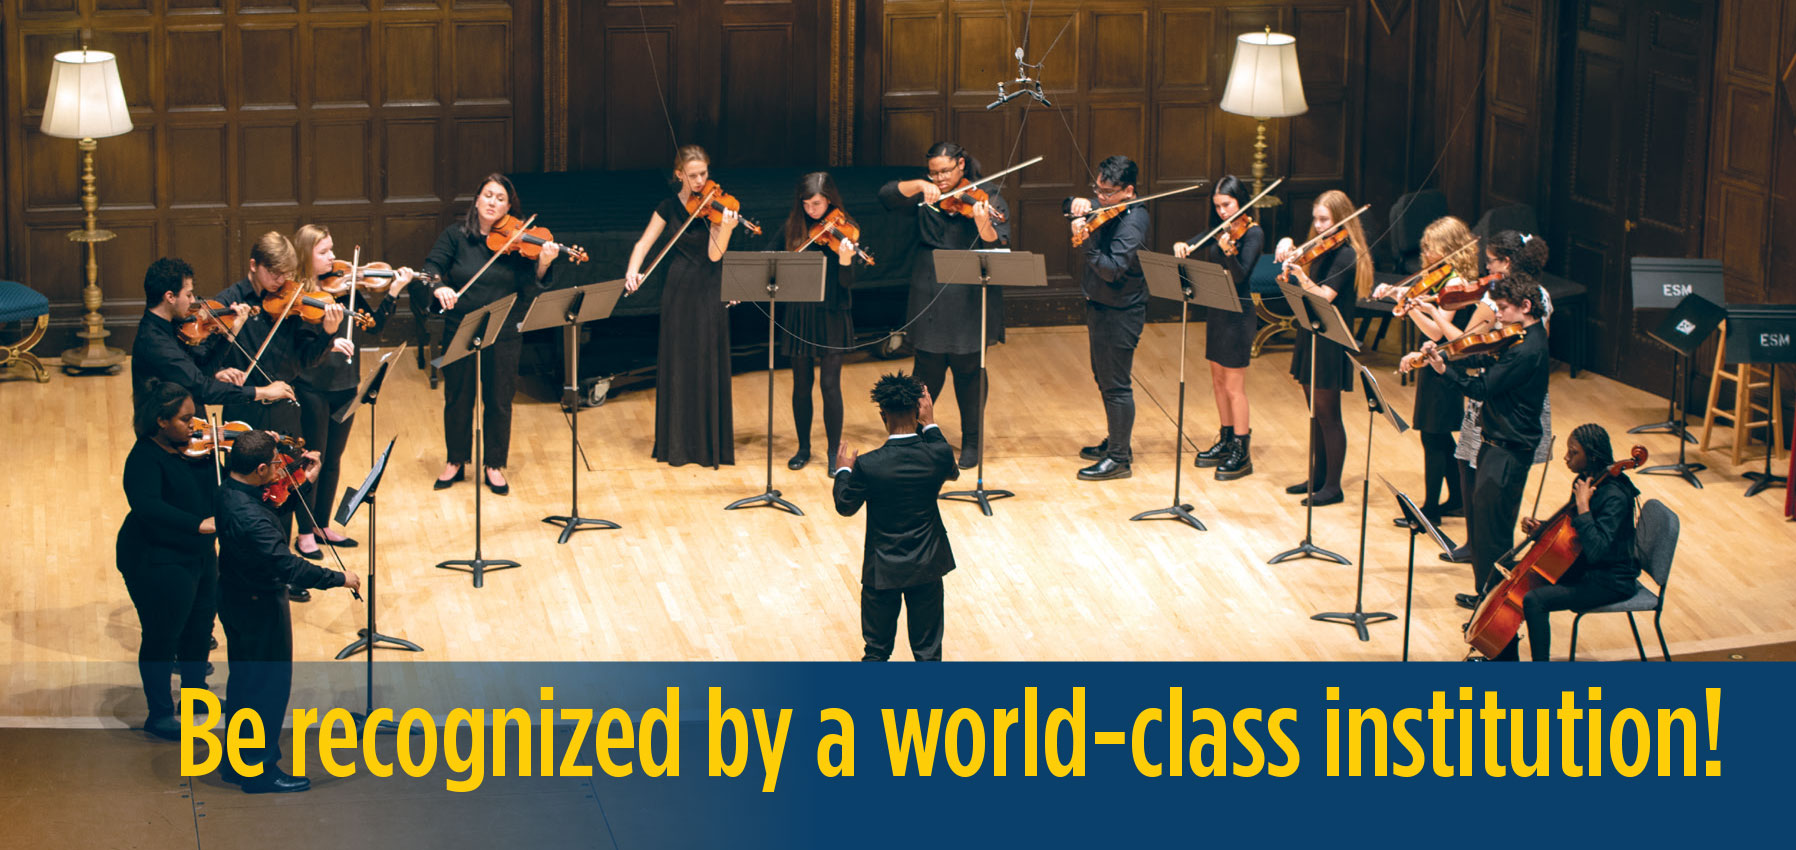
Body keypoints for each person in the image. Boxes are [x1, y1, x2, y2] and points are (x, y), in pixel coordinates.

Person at [214, 429, 359, 794]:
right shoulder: (252, 520)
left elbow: (272, 503)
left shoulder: (229, 490)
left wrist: (303, 482)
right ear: (260, 468)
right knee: (267, 688)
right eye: (276, 465)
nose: (282, 468)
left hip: (235, 596)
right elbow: (288, 568)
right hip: (259, 605)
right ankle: (260, 772)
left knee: (245, 683)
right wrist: (339, 578)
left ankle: (237, 762)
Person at [1405, 274, 1550, 609]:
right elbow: (1485, 356)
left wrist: (1445, 372)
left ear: (1525, 306)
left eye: (1502, 308)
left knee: (1494, 532)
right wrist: (1448, 356)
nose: (1496, 315)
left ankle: (1494, 603)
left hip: (1509, 450)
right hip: (1496, 444)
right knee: (1484, 528)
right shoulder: (1519, 336)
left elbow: (1481, 389)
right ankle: (1486, 594)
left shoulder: (1527, 349)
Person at [418, 173, 560, 493]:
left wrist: (544, 263)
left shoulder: (519, 241)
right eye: (488, 195)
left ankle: (494, 463)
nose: (493, 203)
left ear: (510, 206)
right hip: (461, 325)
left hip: (504, 327)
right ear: (477, 199)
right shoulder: (455, 236)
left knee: (499, 398)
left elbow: (530, 285)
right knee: (458, 396)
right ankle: (455, 459)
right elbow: (430, 269)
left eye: (500, 199)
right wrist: (439, 287)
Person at [878, 141, 1010, 468]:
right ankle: (913, 435)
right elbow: (886, 195)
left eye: (945, 172)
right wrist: (920, 185)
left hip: (968, 293)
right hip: (929, 285)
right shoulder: (927, 195)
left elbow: (999, 241)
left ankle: (972, 442)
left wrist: (982, 224)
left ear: (961, 165)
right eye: (933, 173)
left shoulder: (987, 195)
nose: (940, 179)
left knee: (969, 370)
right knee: (927, 369)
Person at [288, 224, 410, 558]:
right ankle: (303, 531)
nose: (333, 258)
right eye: (324, 252)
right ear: (305, 255)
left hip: (346, 384)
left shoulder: (344, 291)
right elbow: (300, 347)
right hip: (312, 387)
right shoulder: (299, 297)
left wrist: (394, 291)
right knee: (311, 458)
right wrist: (328, 338)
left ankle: (321, 524)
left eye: (332, 249)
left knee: (333, 459)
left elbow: (374, 328)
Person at [625, 146, 739, 468]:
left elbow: (715, 255)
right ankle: (676, 443)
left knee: (706, 359)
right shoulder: (667, 207)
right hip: (678, 288)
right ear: (679, 176)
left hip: (708, 286)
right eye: (693, 175)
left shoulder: (717, 207)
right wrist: (633, 270)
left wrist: (726, 228)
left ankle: (707, 446)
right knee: (679, 362)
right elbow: (643, 244)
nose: (701, 180)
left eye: (704, 173)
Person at [833, 373, 959, 661]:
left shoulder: (868, 464)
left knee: (876, 653)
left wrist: (843, 471)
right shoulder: (937, 454)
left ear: (882, 416)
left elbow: (845, 506)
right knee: (928, 654)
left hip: (882, 569)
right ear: (918, 411)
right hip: (927, 565)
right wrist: (931, 424)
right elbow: (951, 468)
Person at [118, 380, 219, 740]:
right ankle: (159, 713)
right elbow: (147, 507)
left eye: (197, 418)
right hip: (155, 557)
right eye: (186, 419)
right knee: (163, 634)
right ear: (161, 420)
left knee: (200, 627)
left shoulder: (197, 448)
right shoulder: (144, 457)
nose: (197, 426)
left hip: (199, 552)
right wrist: (198, 523)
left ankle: (194, 696)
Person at [1498, 423, 1641, 661]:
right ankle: (1506, 658)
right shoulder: (1586, 480)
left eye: (1573, 452)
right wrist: (1542, 528)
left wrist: (1584, 506)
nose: (1566, 457)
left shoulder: (1615, 496)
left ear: (1592, 455)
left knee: (1535, 600)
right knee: (1507, 573)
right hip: (1583, 567)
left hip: (1610, 580)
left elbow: (1596, 549)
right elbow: (1572, 529)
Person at [1371, 216, 1479, 530]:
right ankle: (1457, 498)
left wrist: (1406, 303)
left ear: (1451, 247)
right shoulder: (1437, 276)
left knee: (1433, 436)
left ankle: (1430, 511)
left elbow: (1437, 331)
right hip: (1433, 360)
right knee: (1438, 435)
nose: (1426, 252)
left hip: (1445, 361)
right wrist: (1400, 298)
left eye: (1432, 246)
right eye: (1426, 246)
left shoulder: (1455, 283)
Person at [1275, 189, 1372, 506]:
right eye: (1315, 219)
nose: (1317, 226)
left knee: (1329, 414)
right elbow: (1301, 293)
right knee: (1314, 413)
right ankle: (1316, 477)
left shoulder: (1345, 254)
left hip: (1330, 340)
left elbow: (1324, 297)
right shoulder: (1317, 249)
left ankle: (1333, 486)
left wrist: (1301, 276)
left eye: (1324, 219)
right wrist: (1289, 263)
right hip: (1310, 333)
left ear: (1341, 220)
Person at [1175, 174, 1265, 480]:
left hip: (1239, 314)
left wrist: (1229, 250)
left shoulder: (1252, 234)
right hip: (1217, 311)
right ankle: (1226, 440)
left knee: (1234, 386)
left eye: (1227, 204)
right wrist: (1183, 245)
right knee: (1217, 381)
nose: (1223, 212)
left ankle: (1242, 450)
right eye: (1218, 206)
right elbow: (1197, 240)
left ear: (1240, 200)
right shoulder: (1221, 228)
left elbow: (1240, 276)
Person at [1066, 155, 1148, 481]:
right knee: (1103, 378)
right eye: (1097, 190)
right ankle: (1117, 443)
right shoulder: (1105, 207)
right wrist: (1077, 201)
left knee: (1116, 385)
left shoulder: (1134, 222)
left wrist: (1085, 241)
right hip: (1100, 305)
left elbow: (1112, 270)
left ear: (1128, 190)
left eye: (1108, 192)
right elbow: (1068, 203)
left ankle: (1119, 459)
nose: (1101, 198)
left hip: (1122, 311)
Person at [774, 172, 859, 471]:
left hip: (833, 311)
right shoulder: (793, 227)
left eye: (818, 204)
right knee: (801, 385)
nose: (813, 210)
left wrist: (845, 261)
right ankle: (803, 448)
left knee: (829, 385)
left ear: (830, 201)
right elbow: (773, 262)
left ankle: (834, 454)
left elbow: (847, 283)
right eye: (807, 204)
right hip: (801, 313)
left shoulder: (846, 230)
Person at [131, 257, 293, 412]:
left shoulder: (172, 326)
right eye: (188, 295)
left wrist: (231, 332)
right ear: (170, 297)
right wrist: (263, 392)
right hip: (164, 431)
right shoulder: (155, 343)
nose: (193, 300)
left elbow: (203, 371)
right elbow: (202, 388)